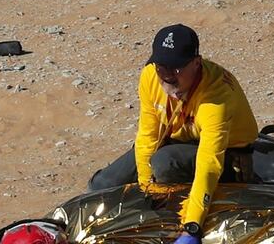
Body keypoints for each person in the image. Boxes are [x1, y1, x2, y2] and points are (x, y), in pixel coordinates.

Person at [88, 24, 260, 243]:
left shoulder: (217, 96)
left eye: (175, 69)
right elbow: (147, 137)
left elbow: (209, 163)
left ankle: (174, 221)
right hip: (177, 141)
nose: (166, 76)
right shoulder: (150, 77)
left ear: (196, 64)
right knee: (103, 185)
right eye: (161, 68)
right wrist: (146, 189)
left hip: (227, 154)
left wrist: (193, 226)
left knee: (164, 163)